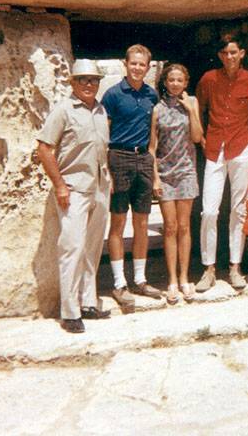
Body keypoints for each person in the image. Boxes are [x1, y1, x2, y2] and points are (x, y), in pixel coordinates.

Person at [37, 59, 111, 333]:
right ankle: (69, 313)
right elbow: (44, 149)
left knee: (92, 248)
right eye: (83, 79)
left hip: (99, 188)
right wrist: (59, 185)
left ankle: (88, 302)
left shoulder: (101, 110)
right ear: (73, 83)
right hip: (74, 189)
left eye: (94, 80)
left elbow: (101, 149)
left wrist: (108, 179)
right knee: (72, 248)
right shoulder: (63, 111)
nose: (89, 84)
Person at [195, 32, 248, 292]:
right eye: (225, 53)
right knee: (209, 211)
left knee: (239, 209)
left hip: (241, 147)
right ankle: (209, 269)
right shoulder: (209, 79)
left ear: (242, 54)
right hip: (214, 148)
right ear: (219, 55)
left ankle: (235, 267)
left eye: (233, 52)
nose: (229, 57)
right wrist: (202, 138)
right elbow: (199, 107)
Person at [101, 44, 161, 313]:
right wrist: (107, 169)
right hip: (119, 157)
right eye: (133, 63)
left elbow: (153, 135)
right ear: (125, 64)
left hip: (143, 159)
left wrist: (152, 166)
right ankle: (119, 283)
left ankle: (140, 279)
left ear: (148, 67)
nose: (137, 68)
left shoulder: (151, 95)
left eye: (142, 64)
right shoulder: (113, 95)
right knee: (118, 222)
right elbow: (104, 135)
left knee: (142, 222)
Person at [149, 63, 203, 304]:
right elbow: (152, 148)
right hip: (165, 174)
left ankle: (184, 278)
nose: (175, 84)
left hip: (186, 171)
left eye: (179, 80)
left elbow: (197, 137)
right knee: (170, 227)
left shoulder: (192, 102)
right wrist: (156, 178)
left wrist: (190, 110)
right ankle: (171, 279)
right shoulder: (157, 109)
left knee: (184, 226)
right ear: (165, 82)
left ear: (186, 82)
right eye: (171, 80)